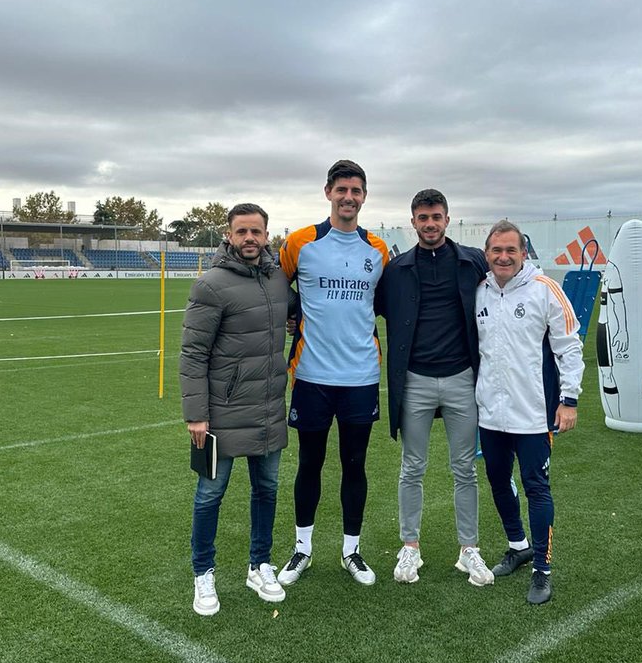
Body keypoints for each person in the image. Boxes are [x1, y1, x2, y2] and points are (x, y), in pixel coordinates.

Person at [278, 160, 389, 586]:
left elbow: (383, 302)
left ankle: (351, 551)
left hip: (361, 377)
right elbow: (275, 286)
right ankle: (302, 549)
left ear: (364, 196)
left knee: (354, 465)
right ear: (328, 192)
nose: (349, 197)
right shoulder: (300, 242)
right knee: (310, 463)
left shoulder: (377, 250)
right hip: (311, 375)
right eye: (341, 189)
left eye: (356, 190)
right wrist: (294, 313)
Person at [376, 189, 494, 586]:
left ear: (448, 219)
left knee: (465, 469)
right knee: (412, 467)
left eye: (436, 217)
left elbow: (508, 283)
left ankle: (469, 550)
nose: (430, 224)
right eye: (423, 218)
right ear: (413, 222)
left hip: (463, 378)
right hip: (415, 381)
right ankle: (410, 547)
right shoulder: (396, 270)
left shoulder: (472, 261)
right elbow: (363, 307)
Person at [180, 202, 291, 615]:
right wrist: (196, 414)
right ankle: (203, 574)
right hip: (221, 412)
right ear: (228, 235)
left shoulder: (277, 279)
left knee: (267, 490)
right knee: (210, 495)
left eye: (256, 232)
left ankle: (260, 564)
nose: (249, 239)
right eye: (241, 232)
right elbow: (193, 353)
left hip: (267, 409)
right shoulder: (210, 284)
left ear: (266, 235)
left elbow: (294, 313)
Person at [475, 219, 584, 604]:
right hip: (490, 413)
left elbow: (569, 348)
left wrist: (568, 401)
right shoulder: (481, 291)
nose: (503, 257)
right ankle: (517, 545)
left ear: (524, 253)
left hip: (535, 414)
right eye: (496, 250)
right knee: (498, 481)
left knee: (537, 488)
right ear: (486, 254)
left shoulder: (545, 290)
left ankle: (542, 567)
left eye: (511, 250)